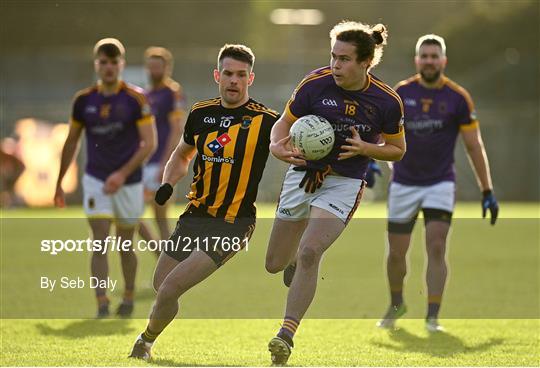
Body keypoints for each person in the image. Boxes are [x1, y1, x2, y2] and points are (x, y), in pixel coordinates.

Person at [265, 21, 406, 365]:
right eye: (333, 56)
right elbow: (283, 122)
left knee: (311, 250)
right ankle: (294, 261)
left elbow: (398, 149)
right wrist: (276, 147)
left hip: (344, 183)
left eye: (344, 59)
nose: (335, 65)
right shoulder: (315, 84)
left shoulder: (386, 101)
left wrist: (364, 148)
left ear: (365, 63)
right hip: (302, 175)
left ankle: (286, 333)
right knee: (274, 264)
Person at [128, 44, 279, 361]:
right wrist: (169, 182)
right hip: (195, 215)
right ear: (217, 75)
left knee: (169, 288)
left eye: (241, 75)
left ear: (250, 78)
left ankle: (144, 341)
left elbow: (294, 146)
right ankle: (149, 337)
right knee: (160, 285)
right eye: (228, 74)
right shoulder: (201, 113)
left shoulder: (266, 121)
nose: (234, 81)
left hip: (233, 224)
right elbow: (182, 153)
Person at [376, 34, 498, 332]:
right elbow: (380, 133)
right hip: (403, 183)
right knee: (396, 254)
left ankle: (432, 316)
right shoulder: (401, 93)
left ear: (443, 60)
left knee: (437, 245)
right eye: (424, 56)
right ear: (417, 60)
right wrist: (368, 160)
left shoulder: (457, 98)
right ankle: (396, 304)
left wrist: (487, 190)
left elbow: (474, 146)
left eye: (435, 56)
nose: (429, 61)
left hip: (439, 184)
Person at [54, 38, 157, 318]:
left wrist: (122, 174)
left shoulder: (135, 99)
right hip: (96, 179)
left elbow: (149, 143)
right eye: (103, 62)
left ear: (121, 65)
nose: (109, 67)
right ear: (96, 64)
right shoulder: (83, 101)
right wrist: (60, 181)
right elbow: (71, 142)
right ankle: (101, 302)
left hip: (129, 182)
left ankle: (128, 297)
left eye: (114, 62)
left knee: (126, 243)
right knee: (99, 240)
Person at [138, 46, 187, 248]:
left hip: (160, 164)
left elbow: (177, 130)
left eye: (157, 67)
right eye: (150, 67)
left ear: (167, 68)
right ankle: (162, 256)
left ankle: (166, 265)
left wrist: (166, 164)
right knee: (129, 215)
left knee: (160, 218)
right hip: (145, 163)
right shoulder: (146, 95)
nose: (153, 71)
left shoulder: (172, 93)